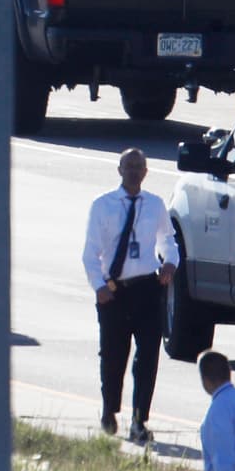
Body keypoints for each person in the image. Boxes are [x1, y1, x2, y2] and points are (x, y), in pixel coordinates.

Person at [81, 147, 179, 444]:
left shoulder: (155, 205)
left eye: (139, 166)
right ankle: (109, 410)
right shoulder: (103, 205)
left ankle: (139, 419)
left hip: (147, 289)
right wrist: (99, 286)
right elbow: (90, 253)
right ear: (120, 170)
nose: (135, 171)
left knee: (147, 356)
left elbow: (168, 240)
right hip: (115, 292)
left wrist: (170, 263)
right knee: (113, 354)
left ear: (146, 172)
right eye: (129, 166)